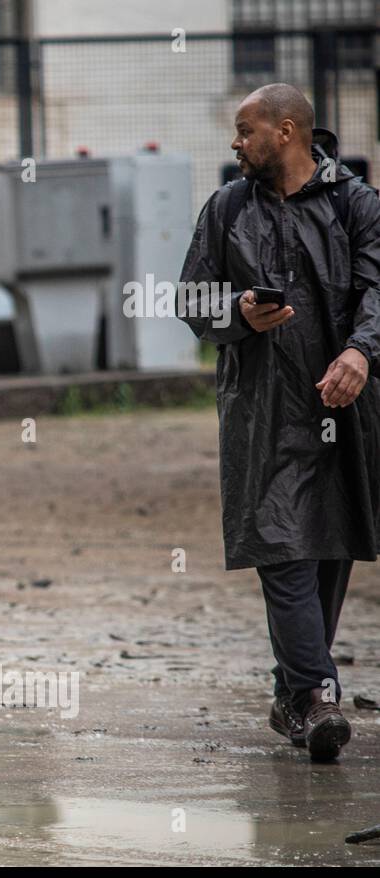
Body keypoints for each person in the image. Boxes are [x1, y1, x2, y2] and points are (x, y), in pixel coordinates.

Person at [176, 83, 380, 761]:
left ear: (287, 131)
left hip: (340, 405)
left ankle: (291, 697)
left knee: (327, 543)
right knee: (282, 546)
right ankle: (320, 694)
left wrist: (360, 350)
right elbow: (192, 296)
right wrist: (238, 312)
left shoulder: (355, 204)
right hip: (261, 411)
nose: (236, 143)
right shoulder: (227, 208)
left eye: (245, 130)